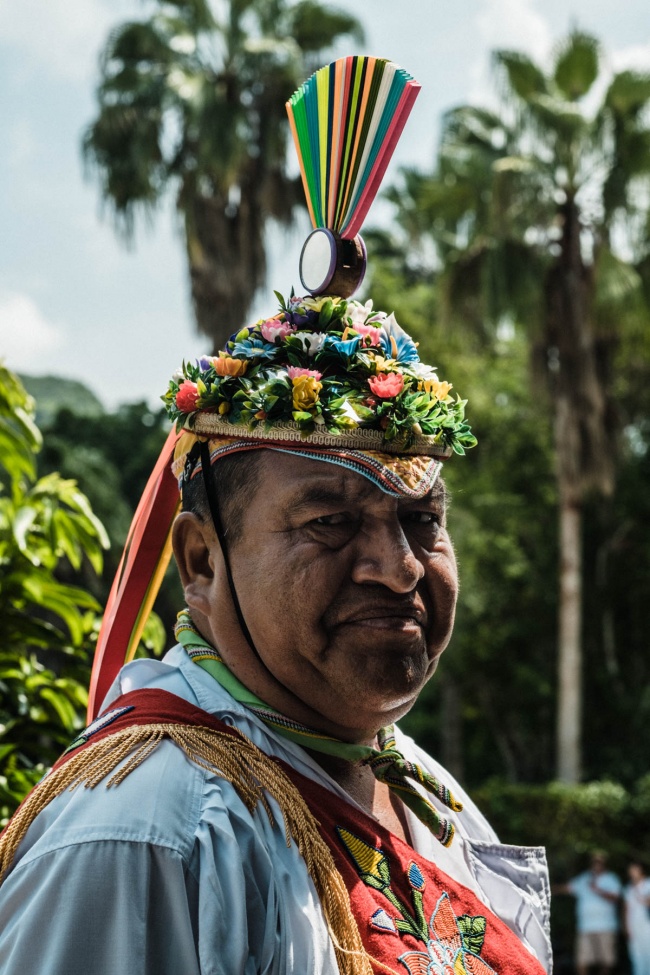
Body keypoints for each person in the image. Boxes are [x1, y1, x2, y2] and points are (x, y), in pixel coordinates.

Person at [0, 291, 552, 974]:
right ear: (202, 561)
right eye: (330, 522)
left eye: (422, 520)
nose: (402, 568)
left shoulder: (425, 792)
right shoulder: (147, 829)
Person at [556, 852, 622, 975]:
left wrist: (597, 889)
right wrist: (548, 888)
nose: (596, 864)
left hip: (606, 927)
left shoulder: (611, 879)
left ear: (604, 864)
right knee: (581, 961)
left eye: (599, 862)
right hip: (585, 927)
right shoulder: (584, 878)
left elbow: (615, 898)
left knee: (607, 961)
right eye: (594, 862)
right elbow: (567, 888)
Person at [625, 862, 650, 975]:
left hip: (647, 926)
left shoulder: (648, 884)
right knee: (636, 957)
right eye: (631, 871)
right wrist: (627, 927)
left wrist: (644, 898)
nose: (633, 873)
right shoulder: (628, 888)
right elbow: (627, 909)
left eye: (635, 870)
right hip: (634, 928)